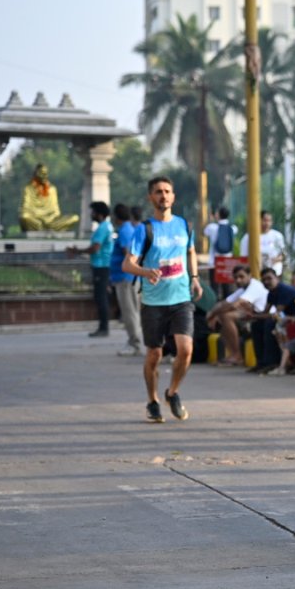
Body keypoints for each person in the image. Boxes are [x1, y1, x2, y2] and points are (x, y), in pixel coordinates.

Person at [120, 176, 201, 423]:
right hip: (153, 302)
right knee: (154, 354)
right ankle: (153, 400)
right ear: (150, 197)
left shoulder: (184, 225)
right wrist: (146, 272)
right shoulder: (144, 230)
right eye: (158, 192)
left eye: (167, 191)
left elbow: (191, 251)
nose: (163, 195)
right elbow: (127, 264)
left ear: (173, 197)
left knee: (186, 350)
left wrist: (195, 278)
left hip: (181, 298)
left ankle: (172, 392)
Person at [206, 264, 268, 367]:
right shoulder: (242, 289)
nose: (238, 280)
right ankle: (232, 354)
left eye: (241, 276)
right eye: (236, 278)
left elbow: (235, 305)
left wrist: (212, 314)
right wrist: (213, 314)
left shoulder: (255, 286)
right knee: (221, 317)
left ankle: (237, 355)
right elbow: (224, 303)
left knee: (226, 316)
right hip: (251, 317)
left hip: (263, 317)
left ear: (250, 275)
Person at [73, 201, 114, 338]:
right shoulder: (107, 226)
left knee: (101, 297)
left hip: (101, 266)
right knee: (102, 296)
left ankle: (103, 328)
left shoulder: (102, 228)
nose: (91, 215)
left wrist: (78, 251)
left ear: (99, 214)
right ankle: (103, 327)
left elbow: (95, 248)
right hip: (104, 266)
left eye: (93, 212)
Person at [249, 266, 295, 374]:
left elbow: (276, 314)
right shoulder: (271, 293)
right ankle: (261, 362)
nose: (266, 282)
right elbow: (265, 312)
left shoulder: (284, 290)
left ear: (277, 278)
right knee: (256, 324)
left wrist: (253, 316)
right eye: (264, 280)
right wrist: (252, 314)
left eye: (269, 278)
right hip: (284, 319)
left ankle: (271, 362)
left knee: (270, 323)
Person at [109, 203, 143, 356]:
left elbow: (128, 253)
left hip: (126, 278)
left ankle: (134, 343)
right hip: (128, 276)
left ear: (116, 217)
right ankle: (135, 341)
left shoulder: (125, 231)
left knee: (129, 312)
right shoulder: (129, 229)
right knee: (132, 311)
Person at [18, 163, 79, 233]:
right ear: (36, 174)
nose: (44, 175)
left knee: (74, 218)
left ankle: (47, 228)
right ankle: (43, 228)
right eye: (41, 173)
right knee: (25, 217)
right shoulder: (28, 189)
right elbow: (25, 209)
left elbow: (56, 212)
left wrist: (49, 219)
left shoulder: (52, 189)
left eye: (46, 173)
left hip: (51, 221)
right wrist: (40, 218)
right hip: (36, 221)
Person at [257, 211, 286, 279]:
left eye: (269, 221)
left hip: (274, 271)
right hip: (258, 270)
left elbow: (283, 255)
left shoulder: (277, 236)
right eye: (264, 220)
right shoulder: (251, 237)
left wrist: (273, 260)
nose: (267, 223)